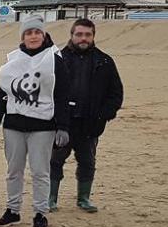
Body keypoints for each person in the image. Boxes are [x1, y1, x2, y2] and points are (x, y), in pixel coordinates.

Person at [0, 14, 70, 227]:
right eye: (28, 33)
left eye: (37, 32)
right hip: (14, 124)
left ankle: (40, 213)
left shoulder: (54, 60)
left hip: (43, 126)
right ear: (23, 37)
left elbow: (62, 94)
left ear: (43, 35)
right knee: (13, 170)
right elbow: (1, 95)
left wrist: (63, 126)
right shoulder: (12, 60)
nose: (33, 36)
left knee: (40, 171)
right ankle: (12, 210)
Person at [50, 19, 123, 213]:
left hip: (90, 125)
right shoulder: (58, 59)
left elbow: (116, 94)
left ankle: (83, 198)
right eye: (79, 34)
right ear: (72, 35)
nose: (83, 38)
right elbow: (46, 91)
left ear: (93, 36)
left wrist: (103, 115)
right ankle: (51, 198)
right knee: (54, 161)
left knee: (88, 162)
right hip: (62, 124)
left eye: (87, 35)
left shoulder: (104, 61)